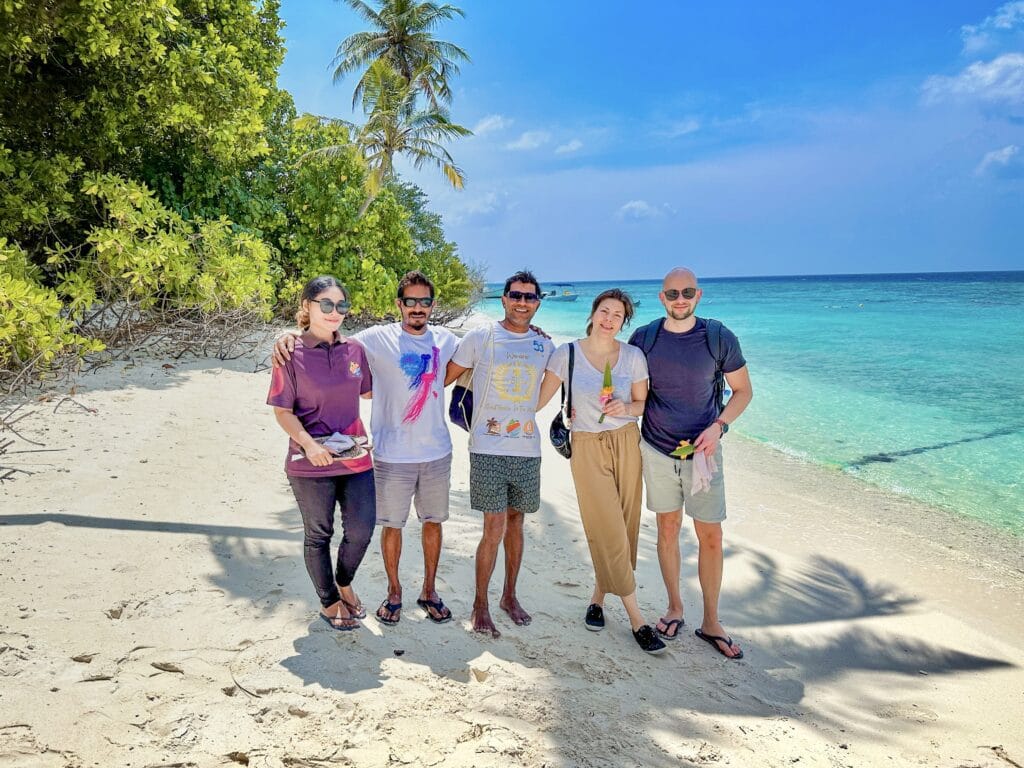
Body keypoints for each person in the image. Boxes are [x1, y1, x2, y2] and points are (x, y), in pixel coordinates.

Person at [272, 271, 459, 627]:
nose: (335, 310)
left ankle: (409, 590)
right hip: (361, 456)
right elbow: (286, 403)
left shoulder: (439, 340)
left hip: (396, 454)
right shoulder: (369, 339)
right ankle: (362, 598)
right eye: (410, 301)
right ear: (399, 304)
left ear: (433, 305)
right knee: (335, 533)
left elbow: (476, 355)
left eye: (341, 305)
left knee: (385, 528)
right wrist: (286, 337)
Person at [628, 267, 753, 658]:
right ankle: (674, 607)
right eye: (671, 294)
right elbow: (615, 376)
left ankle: (711, 621)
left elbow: (743, 391)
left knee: (711, 537)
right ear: (661, 297)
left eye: (686, 293)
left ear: (698, 295)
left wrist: (719, 427)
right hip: (657, 449)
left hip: (704, 453)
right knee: (667, 529)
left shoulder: (718, 337)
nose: (679, 299)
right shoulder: (644, 338)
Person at [536, 289, 667, 655]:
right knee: (605, 526)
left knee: (624, 529)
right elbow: (537, 400)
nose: (610, 319)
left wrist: (626, 407)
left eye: (618, 315)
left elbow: (642, 404)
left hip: (627, 442)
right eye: (604, 311)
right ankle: (638, 620)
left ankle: (597, 598)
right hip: (588, 448)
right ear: (592, 314)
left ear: (624, 322)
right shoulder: (567, 354)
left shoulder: (633, 356)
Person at [444, 270, 555, 638]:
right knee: (493, 527)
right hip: (487, 448)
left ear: (537, 303)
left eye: (529, 297)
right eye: (515, 295)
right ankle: (480, 603)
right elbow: (443, 376)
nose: (522, 302)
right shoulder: (481, 337)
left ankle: (509, 596)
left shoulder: (546, 346)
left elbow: (571, 373)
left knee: (517, 523)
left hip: (527, 448)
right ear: (504, 299)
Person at [267, 276, 375, 631]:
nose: (334, 312)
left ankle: (344, 582)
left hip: (355, 458)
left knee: (361, 529)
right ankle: (329, 601)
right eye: (326, 305)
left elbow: (374, 393)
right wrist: (310, 446)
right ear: (307, 307)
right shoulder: (289, 352)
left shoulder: (355, 350)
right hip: (309, 462)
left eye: (341, 305)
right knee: (319, 534)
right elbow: (283, 411)